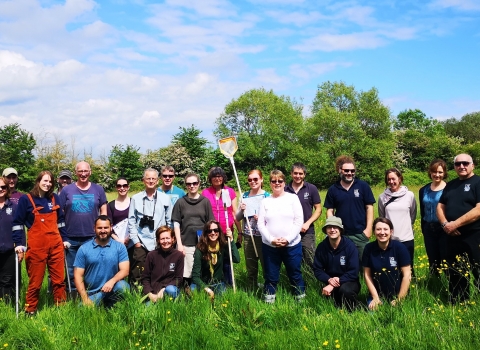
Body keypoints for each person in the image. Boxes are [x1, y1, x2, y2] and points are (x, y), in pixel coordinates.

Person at [12, 171, 67, 315]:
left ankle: (60, 307)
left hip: (56, 245)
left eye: (50, 182)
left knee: (59, 280)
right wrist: (19, 243)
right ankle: (30, 309)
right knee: (35, 282)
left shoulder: (55, 198)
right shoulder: (27, 199)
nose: (47, 184)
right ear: (38, 181)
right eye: (45, 181)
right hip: (37, 247)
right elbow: (17, 223)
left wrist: (65, 239)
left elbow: (61, 221)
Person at [437, 153, 480, 303]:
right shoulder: (451, 185)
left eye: (465, 163)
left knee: (478, 268)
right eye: (458, 164)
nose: (461, 166)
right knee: (455, 270)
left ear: (472, 165)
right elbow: (440, 206)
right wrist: (445, 225)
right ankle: (459, 300)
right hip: (452, 236)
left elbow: (478, 210)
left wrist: (456, 223)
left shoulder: (478, 182)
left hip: (474, 235)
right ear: (454, 167)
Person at [59, 161, 108, 293]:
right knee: (71, 269)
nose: (83, 174)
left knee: (92, 268)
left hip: (92, 237)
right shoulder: (66, 190)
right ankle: (73, 296)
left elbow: (103, 210)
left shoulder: (98, 189)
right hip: (71, 237)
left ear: (90, 172)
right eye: (80, 171)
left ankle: (92, 293)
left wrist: (103, 228)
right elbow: (60, 213)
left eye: (86, 171)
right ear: (76, 173)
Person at [258, 170, 305, 303]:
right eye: (274, 181)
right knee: (271, 276)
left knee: (295, 274)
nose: (277, 183)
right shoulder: (265, 201)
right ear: (270, 184)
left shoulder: (292, 198)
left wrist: (288, 239)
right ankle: (269, 302)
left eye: (280, 181)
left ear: (284, 183)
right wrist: (271, 239)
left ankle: (301, 301)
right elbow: (261, 224)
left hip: (292, 245)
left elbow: (298, 220)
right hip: (270, 247)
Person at [324, 156, 375, 261]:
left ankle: (363, 278)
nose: (349, 173)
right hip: (342, 234)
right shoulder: (333, 189)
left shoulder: (363, 186)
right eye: (346, 170)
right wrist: (334, 228)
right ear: (340, 170)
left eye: (352, 171)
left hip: (360, 233)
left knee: (364, 264)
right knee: (343, 263)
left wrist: (369, 229)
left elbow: (369, 207)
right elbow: (329, 210)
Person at [128, 168, 172, 287]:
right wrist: (136, 241)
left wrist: (167, 240)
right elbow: (131, 221)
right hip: (141, 242)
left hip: (159, 242)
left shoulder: (165, 198)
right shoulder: (135, 198)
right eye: (148, 178)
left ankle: (157, 292)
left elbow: (169, 221)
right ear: (143, 180)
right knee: (138, 272)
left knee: (158, 270)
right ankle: (137, 296)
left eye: (153, 179)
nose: (151, 181)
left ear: (158, 181)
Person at [74, 215, 129, 308]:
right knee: (81, 309)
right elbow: (77, 275)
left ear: (111, 228)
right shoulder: (84, 249)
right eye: (99, 228)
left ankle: (114, 306)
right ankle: (100, 304)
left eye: (106, 227)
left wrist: (112, 281)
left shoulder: (119, 247)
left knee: (123, 286)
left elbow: (125, 270)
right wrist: (85, 298)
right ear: (94, 228)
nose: (103, 230)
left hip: (113, 288)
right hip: (94, 294)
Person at [202, 167, 242, 285]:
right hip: (212, 232)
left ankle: (229, 283)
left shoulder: (230, 191)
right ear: (210, 179)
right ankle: (213, 282)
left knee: (226, 259)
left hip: (226, 231)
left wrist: (239, 232)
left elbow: (234, 212)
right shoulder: (205, 192)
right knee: (212, 258)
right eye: (214, 176)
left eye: (219, 176)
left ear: (223, 177)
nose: (217, 178)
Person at [172, 173, 214, 286]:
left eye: (194, 183)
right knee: (187, 272)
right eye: (189, 184)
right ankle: (187, 292)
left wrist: (209, 243)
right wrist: (179, 245)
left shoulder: (205, 202)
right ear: (186, 185)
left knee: (201, 270)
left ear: (199, 184)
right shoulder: (180, 202)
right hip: (186, 243)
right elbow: (176, 224)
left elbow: (211, 224)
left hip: (202, 243)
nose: (192, 186)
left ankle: (202, 291)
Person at [363, 218, 411, 310]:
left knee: (400, 318)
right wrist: (375, 298)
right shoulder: (368, 248)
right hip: (377, 295)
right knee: (372, 316)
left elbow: (407, 275)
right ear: (374, 231)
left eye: (385, 229)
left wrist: (399, 299)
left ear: (391, 231)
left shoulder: (400, 248)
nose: (382, 232)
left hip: (399, 295)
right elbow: (367, 275)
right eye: (378, 229)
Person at [313, 216, 360, 310]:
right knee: (331, 304)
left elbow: (354, 271)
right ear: (326, 230)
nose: (332, 230)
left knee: (345, 291)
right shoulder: (322, 247)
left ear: (340, 230)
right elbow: (317, 269)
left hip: (349, 281)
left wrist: (335, 282)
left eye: (335, 227)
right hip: (330, 280)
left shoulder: (350, 246)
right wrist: (329, 279)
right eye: (329, 227)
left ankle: (353, 312)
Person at [235, 169, 270, 290]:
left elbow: (273, 218)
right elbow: (237, 218)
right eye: (250, 180)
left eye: (255, 179)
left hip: (263, 236)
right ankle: (252, 289)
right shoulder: (244, 196)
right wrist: (241, 210)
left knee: (266, 265)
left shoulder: (267, 196)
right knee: (251, 266)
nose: (253, 182)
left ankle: (268, 288)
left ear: (261, 179)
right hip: (248, 236)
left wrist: (262, 217)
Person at [285, 162, 321, 270]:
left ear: (304, 175)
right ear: (291, 174)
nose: (298, 176)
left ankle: (311, 282)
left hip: (307, 231)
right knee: (292, 259)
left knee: (309, 258)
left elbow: (318, 209)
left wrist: (307, 223)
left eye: (300, 173)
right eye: (295, 173)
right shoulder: (285, 190)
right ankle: (296, 283)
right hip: (289, 232)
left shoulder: (311, 188)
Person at [378, 168, 417, 268]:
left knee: (408, 266)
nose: (391, 182)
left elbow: (413, 214)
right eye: (388, 179)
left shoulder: (409, 195)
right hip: (389, 239)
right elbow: (382, 218)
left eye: (393, 179)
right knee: (392, 267)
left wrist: (408, 227)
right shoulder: (382, 197)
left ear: (399, 179)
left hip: (407, 238)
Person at [191, 220, 240, 299]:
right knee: (194, 293)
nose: (213, 233)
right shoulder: (200, 249)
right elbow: (195, 276)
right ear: (206, 233)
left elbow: (236, 259)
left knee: (223, 299)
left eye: (216, 230)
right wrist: (207, 289)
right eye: (209, 231)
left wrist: (231, 240)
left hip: (218, 283)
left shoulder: (223, 246)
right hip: (203, 283)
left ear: (219, 232)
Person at [419, 159, 448, 274]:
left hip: (444, 228)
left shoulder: (449, 189)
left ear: (444, 173)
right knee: (432, 258)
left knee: (446, 257)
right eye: (434, 171)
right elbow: (422, 210)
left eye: (440, 172)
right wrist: (423, 228)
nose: (437, 175)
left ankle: (449, 284)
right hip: (428, 228)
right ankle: (434, 283)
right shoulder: (423, 190)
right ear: (430, 172)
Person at [142, 226, 184, 302]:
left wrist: (164, 289)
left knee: (171, 290)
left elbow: (179, 279)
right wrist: (150, 293)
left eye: (167, 238)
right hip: (153, 293)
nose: (165, 241)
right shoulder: (151, 255)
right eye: (162, 239)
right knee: (148, 312)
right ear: (158, 240)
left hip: (169, 290)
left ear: (173, 239)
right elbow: (145, 278)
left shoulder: (178, 256)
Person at [0, 176, 20, 302]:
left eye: (3, 187)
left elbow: (18, 228)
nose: (1, 189)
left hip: (9, 250)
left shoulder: (13, 206)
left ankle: (6, 307)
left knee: (7, 281)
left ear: (7, 189)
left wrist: (20, 245)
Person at [107, 177, 132, 246]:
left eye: (125, 185)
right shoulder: (110, 205)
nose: (122, 188)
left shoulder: (134, 203)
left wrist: (128, 238)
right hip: (116, 242)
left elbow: (137, 223)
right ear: (116, 188)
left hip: (132, 242)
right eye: (119, 186)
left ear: (128, 187)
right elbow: (108, 226)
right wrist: (118, 240)